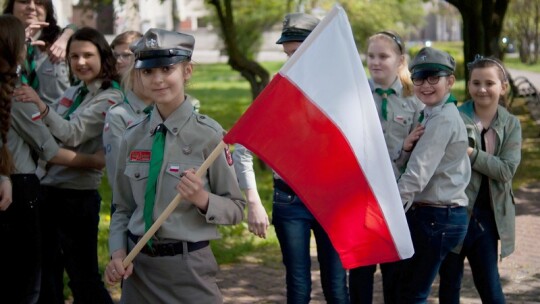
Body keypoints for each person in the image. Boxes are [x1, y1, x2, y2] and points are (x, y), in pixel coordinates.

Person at [105, 28, 245, 303]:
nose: (157, 79)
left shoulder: (210, 136)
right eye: (148, 72)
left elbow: (236, 209)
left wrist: (202, 199)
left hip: (188, 269)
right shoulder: (133, 136)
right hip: (138, 271)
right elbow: (122, 208)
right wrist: (118, 253)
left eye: (167, 68)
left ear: (187, 71)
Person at [0, 16, 105, 304]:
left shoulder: (105, 96)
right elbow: (53, 148)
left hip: (20, 185)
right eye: (23, 43)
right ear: (14, 49)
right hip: (21, 188)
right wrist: (95, 160)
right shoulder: (18, 95)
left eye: (88, 55)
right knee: (27, 284)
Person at [273, 13, 349, 304]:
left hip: (331, 196)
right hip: (290, 199)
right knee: (298, 284)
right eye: (287, 54)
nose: (291, 60)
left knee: (336, 284)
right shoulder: (278, 86)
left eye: (298, 52)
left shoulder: (342, 87)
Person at [438, 56, 522, 304]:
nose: (482, 89)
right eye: (476, 82)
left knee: (490, 286)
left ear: (503, 87)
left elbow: (506, 170)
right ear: (468, 85)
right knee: (449, 283)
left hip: (488, 219)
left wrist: (471, 154)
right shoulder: (453, 116)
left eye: (489, 82)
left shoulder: (511, 124)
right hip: (453, 214)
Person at [348, 30, 424, 304]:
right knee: (359, 276)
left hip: (397, 202)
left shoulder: (414, 100)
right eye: (371, 56)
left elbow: (419, 155)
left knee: (395, 275)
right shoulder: (354, 95)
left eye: (384, 56)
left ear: (400, 60)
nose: (376, 62)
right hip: (359, 199)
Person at [396, 47, 471, 303]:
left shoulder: (442, 119)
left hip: (438, 217)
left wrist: (386, 206)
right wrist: (405, 147)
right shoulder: (430, 114)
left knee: (413, 294)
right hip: (437, 216)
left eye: (433, 77)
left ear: (450, 81)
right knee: (418, 289)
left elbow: (417, 175)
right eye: (419, 77)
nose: (425, 85)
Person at [3, 0, 76, 107]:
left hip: (58, 120)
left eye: (39, 3)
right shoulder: (2, 43)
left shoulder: (62, 41)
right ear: (12, 6)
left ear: (48, 9)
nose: (31, 7)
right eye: (24, 1)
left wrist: (66, 37)